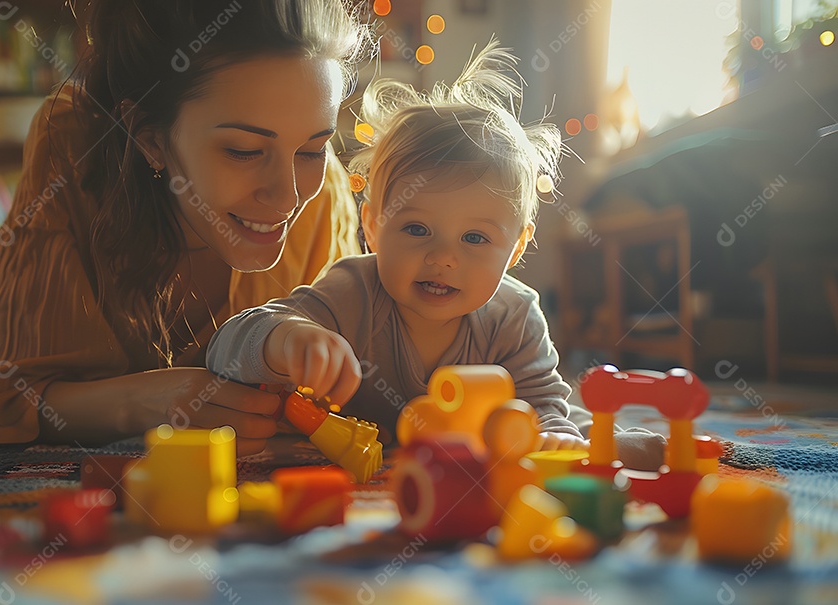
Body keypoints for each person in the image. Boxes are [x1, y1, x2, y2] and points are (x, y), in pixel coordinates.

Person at [206, 41, 666, 467]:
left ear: (517, 247)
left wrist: (554, 439)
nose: (443, 258)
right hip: (365, 455)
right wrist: (285, 337)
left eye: (474, 239)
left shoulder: (514, 314)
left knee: (580, 430)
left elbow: (542, 404)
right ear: (372, 226)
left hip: (472, 456)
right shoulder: (352, 292)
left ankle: (606, 442)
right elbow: (225, 348)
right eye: (417, 229)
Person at [0, 0, 375, 455]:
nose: (289, 198)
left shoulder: (322, 190)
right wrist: (153, 400)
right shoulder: (74, 138)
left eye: (313, 149)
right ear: (150, 139)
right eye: (245, 150)